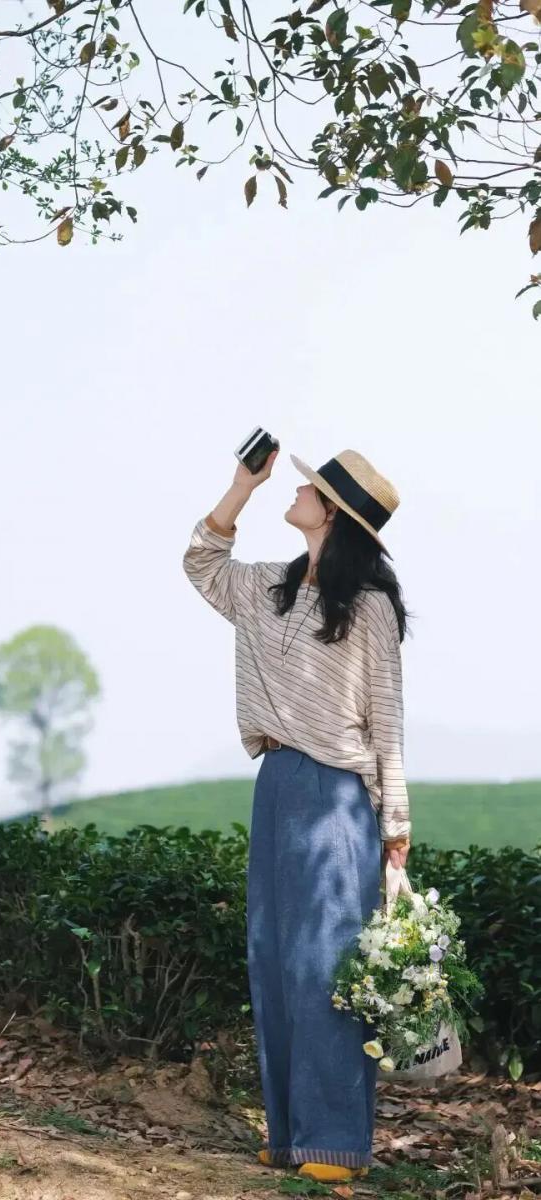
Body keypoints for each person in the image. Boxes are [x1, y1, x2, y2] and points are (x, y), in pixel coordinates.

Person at [182, 443, 412, 1183]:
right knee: (274, 963)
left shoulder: (369, 607)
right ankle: (290, 1135)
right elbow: (201, 563)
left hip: (336, 798)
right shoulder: (269, 589)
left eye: (311, 488)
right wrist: (242, 486)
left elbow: (387, 720)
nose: (300, 491)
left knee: (325, 969)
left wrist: (395, 825)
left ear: (334, 515)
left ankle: (336, 1144)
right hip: (276, 780)